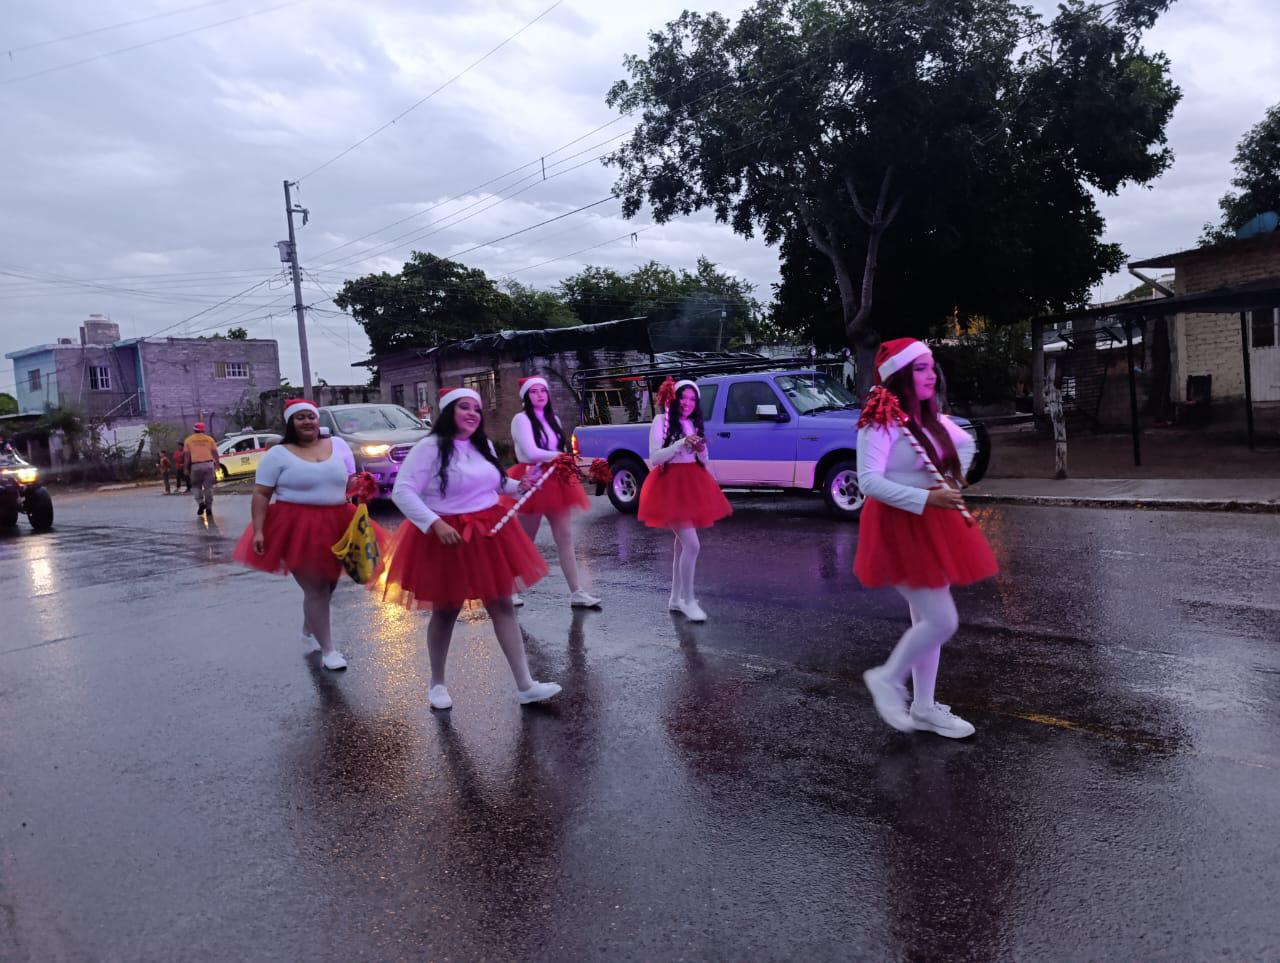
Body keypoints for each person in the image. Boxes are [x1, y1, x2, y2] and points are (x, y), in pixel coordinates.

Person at [380, 387, 561, 710]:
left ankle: (525, 684)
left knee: (503, 605)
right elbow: (403, 492)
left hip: (489, 532)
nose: (472, 414)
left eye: (477, 409)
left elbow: (497, 483)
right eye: (464, 407)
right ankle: (437, 683)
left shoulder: (483, 445)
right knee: (446, 610)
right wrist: (435, 523)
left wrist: (520, 486)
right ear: (449, 412)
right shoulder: (429, 448)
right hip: (445, 535)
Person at [855, 338, 999, 739]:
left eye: (931, 366)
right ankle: (887, 678)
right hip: (897, 526)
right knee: (941, 620)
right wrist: (926, 496)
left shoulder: (929, 421)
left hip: (932, 523)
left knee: (925, 622)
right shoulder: (879, 420)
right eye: (919, 368)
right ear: (899, 376)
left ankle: (923, 706)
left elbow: (967, 442)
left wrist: (954, 476)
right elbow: (868, 482)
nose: (930, 374)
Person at [232, 400, 385, 671]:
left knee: (329, 585)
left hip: (339, 521)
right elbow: (261, 494)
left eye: (311, 417)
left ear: (318, 420)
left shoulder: (337, 446)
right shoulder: (278, 455)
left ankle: (308, 627)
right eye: (300, 418)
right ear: (291, 423)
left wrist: (360, 485)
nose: (307, 422)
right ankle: (328, 650)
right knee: (315, 588)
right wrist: (258, 530)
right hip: (298, 526)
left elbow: (346, 481)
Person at [636, 378, 732, 622]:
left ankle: (676, 599)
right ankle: (688, 601)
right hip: (669, 489)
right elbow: (656, 458)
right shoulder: (661, 421)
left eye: (693, 399)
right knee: (692, 545)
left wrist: (701, 449)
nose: (688, 403)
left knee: (682, 546)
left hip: (691, 485)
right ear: (675, 398)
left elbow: (703, 461)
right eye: (684, 397)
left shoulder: (692, 424)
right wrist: (680, 443)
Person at [508, 375, 600, 609]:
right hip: (534, 479)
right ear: (526, 396)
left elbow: (559, 449)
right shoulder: (520, 419)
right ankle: (509, 589)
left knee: (565, 538)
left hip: (556, 479)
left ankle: (576, 592)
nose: (540, 395)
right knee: (526, 538)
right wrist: (558, 456)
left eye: (543, 391)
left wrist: (564, 459)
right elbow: (529, 452)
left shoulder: (554, 419)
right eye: (534, 391)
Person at [182, 421, 220, 516]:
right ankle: (209, 507)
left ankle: (200, 503)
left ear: (194, 430)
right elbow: (215, 453)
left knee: (195, 486)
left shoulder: (188, 440)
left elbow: (187, 457)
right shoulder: (209, 439)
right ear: (203, 430)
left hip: (196, 466)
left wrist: (186, 468)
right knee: (209, 487)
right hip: (209, 465)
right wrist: (218, 465)